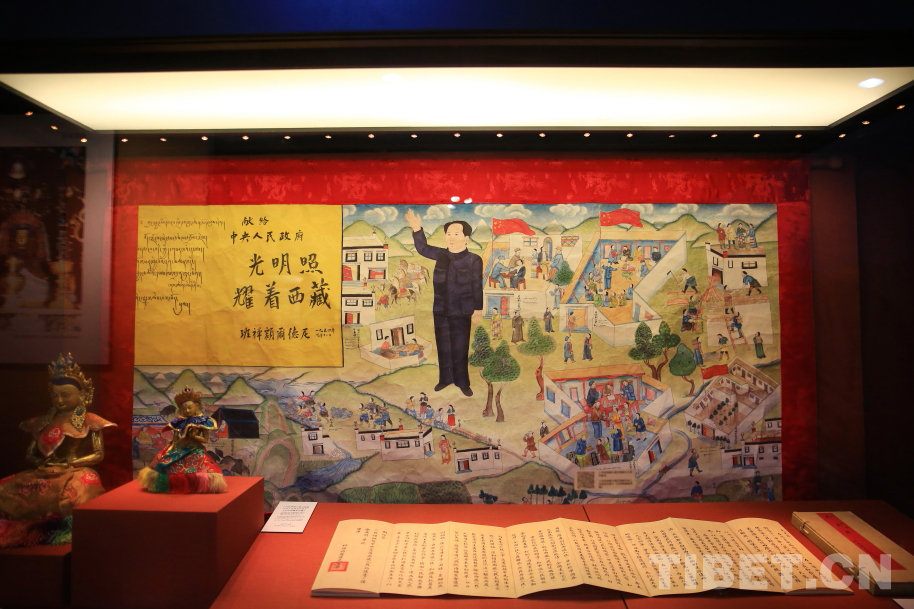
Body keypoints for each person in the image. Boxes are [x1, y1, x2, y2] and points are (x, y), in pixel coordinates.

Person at [0, 354, 117, 546]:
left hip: (74, 470)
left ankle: (64, 528)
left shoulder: (90, 421)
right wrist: (42, 463)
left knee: (80, 489)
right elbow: (30, 454)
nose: (60, 400)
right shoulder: (42, 422)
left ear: (82, 395)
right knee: (5, 489)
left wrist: (71, 462)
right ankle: (26, 528)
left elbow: (98, 454)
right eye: (55, 395)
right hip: (45, 471)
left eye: (65, 394)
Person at [407, 210, 483, 397]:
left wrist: (478, 309)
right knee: (443, 346)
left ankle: (462, 382)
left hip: (462, 311)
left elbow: (477, 286)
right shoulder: (441, 255)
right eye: (448, 234)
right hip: (440, 310)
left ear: (466, 238)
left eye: (456, 234)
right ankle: (445, 379)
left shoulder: (474, 259)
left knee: (460, 347)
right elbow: (423, 248)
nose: (451, 237)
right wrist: (416, 229)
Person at [139, 387, 226, 494]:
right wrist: (174, 445)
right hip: (178, 448)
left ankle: (198, 485)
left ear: (197, 406)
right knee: (162, 464)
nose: (187, 410)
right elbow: (175, 438)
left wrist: (194, 437)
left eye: (190, 407)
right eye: (184, 408)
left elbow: (205, 440)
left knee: (206, 467)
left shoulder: (203, 421)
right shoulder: (178, 421)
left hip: (195, 449)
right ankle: (170, 485)